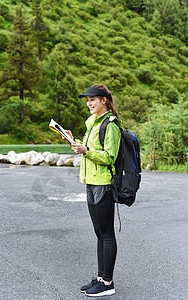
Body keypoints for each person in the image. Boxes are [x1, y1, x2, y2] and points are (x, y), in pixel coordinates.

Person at [68, 84, 121, 297]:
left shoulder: (111, 125)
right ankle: (100, 278)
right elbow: (91, 150)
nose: (89, 103)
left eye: (93, 100)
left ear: (104, 101)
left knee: (107, 234)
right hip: (90, 182)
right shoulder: (92, 123)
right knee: (99, 233)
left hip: (104, 183)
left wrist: (86, 150)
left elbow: (110, 156)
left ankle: (108, 283)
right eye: (87, 100)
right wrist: (74, 141)